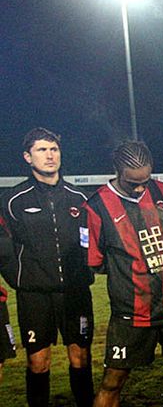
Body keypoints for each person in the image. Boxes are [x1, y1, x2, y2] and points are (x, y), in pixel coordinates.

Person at [84, 141, 163, 407]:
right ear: (117, 171)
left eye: (145, 180)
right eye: (132, 183)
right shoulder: (97, 206)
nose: (141, 187)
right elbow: (95, 260)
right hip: (132, 313)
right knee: (112, 381)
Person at [0, 127, 94, 406]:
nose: (49, 155)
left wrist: (87, 271)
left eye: (53, 149)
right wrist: (19, 278)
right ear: (28, 157)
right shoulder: (13, 200)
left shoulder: (78, 198)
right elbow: (4, 246)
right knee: (38, 361)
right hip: (35, 296)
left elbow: (90, 241)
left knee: (81, 356)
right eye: (42, 150)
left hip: (76, 292)